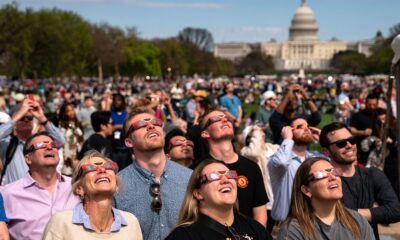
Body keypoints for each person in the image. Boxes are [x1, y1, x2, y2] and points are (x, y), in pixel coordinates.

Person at [114, 106, 192, 240]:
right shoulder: (116, 186)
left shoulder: (190, 178)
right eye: (141, 124)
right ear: (129, 142)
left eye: (155, 123)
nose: (151, 126)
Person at [320, 122, 400, 239]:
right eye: (341, 143)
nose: (349, 145)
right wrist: (374, 211)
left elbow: (395, 211)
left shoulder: (373, 174)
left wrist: (346, 213)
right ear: (326, 151)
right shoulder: (325, 180)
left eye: (352, 140)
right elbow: (327, 218)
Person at [42, 151, 142, 239]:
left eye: (108, 166)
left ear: (116, 185)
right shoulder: (61, 223)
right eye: (91, 168)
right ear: (79, 188)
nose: (102, 170)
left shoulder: (131, 223)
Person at [166, 158, 272, 240]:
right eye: (214, 176)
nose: (225, 180)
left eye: (230, 174)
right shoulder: (184, 236)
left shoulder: (255, 229)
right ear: (198, 193)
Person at [1, 132, 79, 240]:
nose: (49, 147)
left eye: (53, 145)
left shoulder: (77, 187)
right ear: (28, 158)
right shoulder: (6, 194)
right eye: (41, 145)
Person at [200, 108, 268, 227]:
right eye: (217, 119)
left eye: (226, 118)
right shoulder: (196, 170)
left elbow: (260, 214)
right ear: (205, 133)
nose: (224, 120)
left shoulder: (251, 167)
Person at [278, 157, 374, 240]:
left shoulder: (357, 220)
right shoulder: (293, 230)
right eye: (322, 174)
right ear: (306, 190)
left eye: (335, 172)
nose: (332, 177)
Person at [268, 115, 323, 222]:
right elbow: (281, 163)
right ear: (289, 131)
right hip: (285, 226)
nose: (307, 129)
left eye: (307, 126)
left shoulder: (315, 157)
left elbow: (337, 163)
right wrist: (287, 139)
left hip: (313, 224)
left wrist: (323, 138)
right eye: (300, 126)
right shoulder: (276, 158)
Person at [0, 97, 65, 185]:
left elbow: (60, 141)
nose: (26, 120)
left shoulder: (40, 141)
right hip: (13, 196)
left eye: (30, 117)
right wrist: (15, 118)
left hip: (37, 195)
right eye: (22, 117)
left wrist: (42, 118)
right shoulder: (7, 143)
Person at [240, 124, 279, 231]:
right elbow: (255, 152)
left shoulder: (273, 147)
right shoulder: (246, 151)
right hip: (265, 203)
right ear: (250, 138)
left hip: (279, 200)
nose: (260, 130)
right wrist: (256, 133)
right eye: (255, 130)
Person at [349, 93, 378, 165]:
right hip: (363, 150)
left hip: (378, 150)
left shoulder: (380, 114)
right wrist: (362, 132)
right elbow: (351, 130)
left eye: (374, 105)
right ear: (365, 103)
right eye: (369, 104)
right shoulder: (358, 115)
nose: (371, 107)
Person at [58, 102, 83, 176]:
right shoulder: (61, 126)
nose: (71, 112)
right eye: (68, 111)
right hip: (67, 155)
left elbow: (80, 139)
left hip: (77, 153)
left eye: (72, 109)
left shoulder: (77, 123)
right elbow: (63, 141)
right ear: (64, 113)